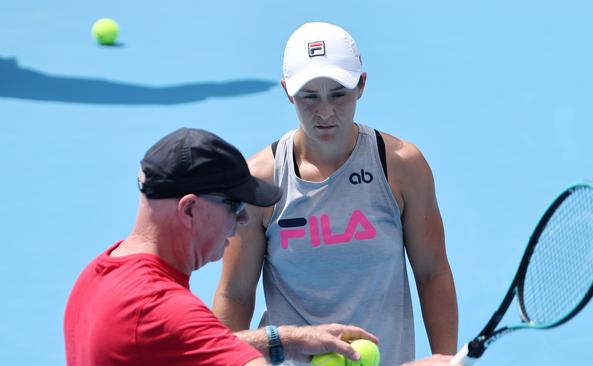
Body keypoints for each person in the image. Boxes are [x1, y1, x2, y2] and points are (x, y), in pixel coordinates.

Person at [212, 22, 459, 366]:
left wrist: (444, 358)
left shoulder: (403, 167)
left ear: (361, 85)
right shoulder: (260, 181)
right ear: (287, 92)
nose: (325, 112)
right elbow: (235, 294)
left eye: (338, 94)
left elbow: (432, 271)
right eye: (309, 97)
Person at [63, 127, 381, 366]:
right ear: (188, 209)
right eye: (233, 205)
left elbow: (189, 344)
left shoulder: (95, 277)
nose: (243, 220)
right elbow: (182, 331)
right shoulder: (162, 309)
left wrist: (287, 339)